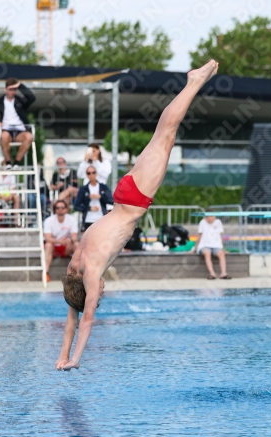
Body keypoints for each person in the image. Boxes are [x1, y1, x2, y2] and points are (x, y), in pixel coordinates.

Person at [55, 60, 219, 372]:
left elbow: (85, 318)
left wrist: (75, 360)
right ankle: (193, 83)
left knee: (166, 135)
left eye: (98, 296)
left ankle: (194, 83)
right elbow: (71, 317)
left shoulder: (89, 272)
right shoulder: (75, 267)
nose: (101, 294)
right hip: (123, 195)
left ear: (89, 290)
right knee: (162, 135)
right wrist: (61, 356)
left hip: (135, 200)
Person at [0, 78, 35, 170]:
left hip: (20, 130)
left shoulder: (20, 101)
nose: (12, 91)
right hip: (5, 129)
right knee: (4, 136)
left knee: (29, 137)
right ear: (5, 89)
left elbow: (32, 98)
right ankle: (8, 162)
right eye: (10, 89)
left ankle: (16, 163)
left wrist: (20, 86)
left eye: (14, 89)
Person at [43, 200, 79, 282]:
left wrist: (69, 240)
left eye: (62, 207)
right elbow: (47, 238)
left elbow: (74, 237)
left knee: (76, 244)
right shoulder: (49, 220)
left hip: (66, 246)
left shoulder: (72, 220)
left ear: (66, 209)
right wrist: (60, 241)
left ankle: (78, 273)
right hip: (53, 247)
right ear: (55, 209)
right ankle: (46, 273)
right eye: (58, 207)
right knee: (48, 245)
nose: (60, 209)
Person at [193, 210, 231, 280]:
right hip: (204, 245)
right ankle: (212, 273)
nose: (209, 218)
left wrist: (223, 249)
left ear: (214, 216)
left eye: (211, 216)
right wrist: (194, 249)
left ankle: (223, 273)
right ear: (205, 217)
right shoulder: (202, 222)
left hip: (216, 245)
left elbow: (221, 236)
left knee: (221, 254)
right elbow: (199, 236)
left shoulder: (218, 222)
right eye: (207, 216)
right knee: (207, 253)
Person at [74, 166, 114, 231]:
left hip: (101, 218)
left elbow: (111, 201)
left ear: (96, 173)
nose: (91, 175)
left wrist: (101, 197)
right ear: (86, 175)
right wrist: (89, 207)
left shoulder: (103, 187)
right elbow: (77, 205)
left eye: (93, 172)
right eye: (89, 173)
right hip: (88, 219)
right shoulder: (84, 189)